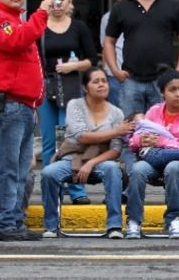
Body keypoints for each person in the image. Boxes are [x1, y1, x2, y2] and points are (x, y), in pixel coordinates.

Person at [0, 0, 51, 241]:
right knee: (6, 168)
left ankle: (12, 221)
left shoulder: (16, 21)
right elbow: (17, 41)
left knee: (20, 169)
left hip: (22, 106)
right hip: (8, 105)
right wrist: (41, 13)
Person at [40, 67, 132, 239]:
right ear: (85, 87)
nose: (101, 85)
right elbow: (81, 137)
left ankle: (114, 226)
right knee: (48, 173)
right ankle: (51, 226)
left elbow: (115, 150)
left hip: (101, 161)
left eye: (104, 81)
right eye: (95, 81)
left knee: (113, 169)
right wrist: (116, 131)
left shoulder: (116, 113)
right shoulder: (74, 105)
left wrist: (91, 163)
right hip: (72, 158)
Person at [103, 0, 179, 118]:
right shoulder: (120, 8)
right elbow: (109, 42)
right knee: (130, 130)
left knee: (162, 129)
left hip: (162, 81)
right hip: (130, 79)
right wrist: (115, 71)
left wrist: (178, 72)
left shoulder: (174, 5)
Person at [125, 68, 179, 240]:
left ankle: (174, 219)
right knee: (138, 168)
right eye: (172, 90)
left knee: (173, 166)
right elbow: (137, 137)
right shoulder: (154, 111)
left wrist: (165, 143)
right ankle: (134, 220)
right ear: (162, 93)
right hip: (153, 162)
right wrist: (141, 141)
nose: (178, 94)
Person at [37, 0, 98, 205]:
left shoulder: (78, 27)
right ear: (45, 2)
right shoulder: (38, 27)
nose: (57, 4)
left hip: (72, 87)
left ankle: (76, 188)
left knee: (73, 139)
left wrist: (74, 67)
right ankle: (52, 189)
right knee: (48, 141)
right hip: (46, 87)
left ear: (69, 1)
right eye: (53, 0)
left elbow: (93, 59)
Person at [99, 0, 135, 108]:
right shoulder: (107, 18)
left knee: (135, 115)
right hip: (113, 75)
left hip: (136, 76)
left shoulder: (142, 15)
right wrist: (104, 74)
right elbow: (105, 47)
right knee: (116, 114)